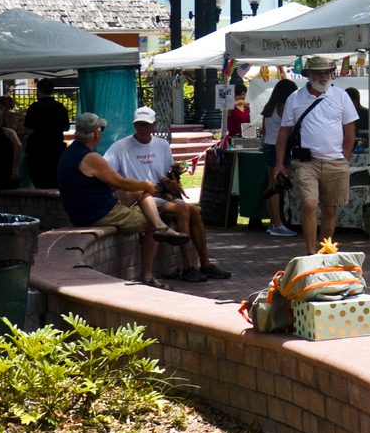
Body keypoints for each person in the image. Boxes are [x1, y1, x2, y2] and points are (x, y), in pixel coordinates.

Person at [57, 112, 198, 288]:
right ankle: (147, 275)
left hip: (86, 207)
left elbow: (108, 183)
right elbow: (119, 181)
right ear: (96, 133)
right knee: (149, 224)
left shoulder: (72, 152)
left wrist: (141, 187)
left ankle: (162, 227)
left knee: (140, 191)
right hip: (97, 212)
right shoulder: (91, 158)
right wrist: (146, 184)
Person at [104, 107, 230, 281]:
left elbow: (170, 175)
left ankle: (205, 264)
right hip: (141, 198)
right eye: (139, 124)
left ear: (154, 125)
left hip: (161, 193)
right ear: (134, 125)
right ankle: (187, 266)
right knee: (184, 210)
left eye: (146, 125)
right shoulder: (119, 147)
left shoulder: (162, 145)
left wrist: (172, 184)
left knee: (195, 211)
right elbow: (107, 174)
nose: (143, 128)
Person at [275, 57, 356, 254]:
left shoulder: (341, 96)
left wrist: (344, 157)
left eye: (326, 72)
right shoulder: (295, 98)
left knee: (330, 210)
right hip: (306, 162)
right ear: (309, 75)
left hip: (335, 162)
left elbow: (350, 130)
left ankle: (324, 250)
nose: (322, 76)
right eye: (318, 72)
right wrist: (279, 163)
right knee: (310, 204)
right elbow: (284, 131)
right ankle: (311, 253)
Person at [257, 79, 298, 237]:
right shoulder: (283, 107)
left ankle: (273, 221)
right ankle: (277, 223)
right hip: (278, 147)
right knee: (277, 185)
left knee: (272, 185)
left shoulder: (269, 108)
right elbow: (289, 128)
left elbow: (265, 129)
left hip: (269, 145)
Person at [21, 80, 69, 189]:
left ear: (39, 91)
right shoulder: (60, 107)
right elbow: (66, 127)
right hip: (55, 149)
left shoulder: (34, 107)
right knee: (53, 181)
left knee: (39, 181)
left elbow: (28, 129)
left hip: (37, 150)